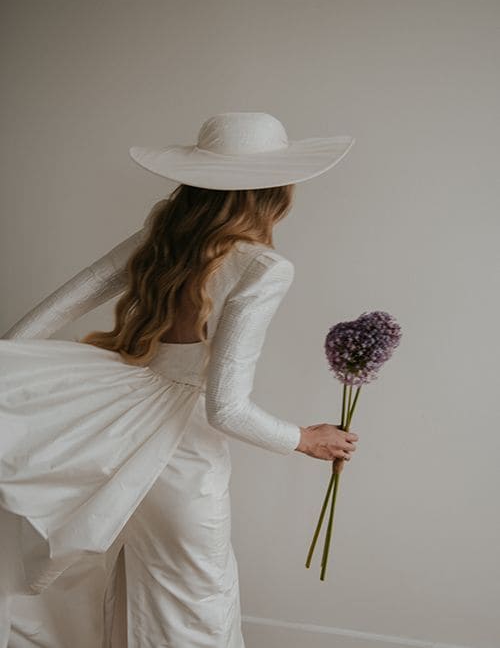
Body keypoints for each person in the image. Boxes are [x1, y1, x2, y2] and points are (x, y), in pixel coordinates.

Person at [0, 112, 359, 647]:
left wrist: (13, 372)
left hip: (111, 432)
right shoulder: (263, 267)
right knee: (196, 599)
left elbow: (43, 319)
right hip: (180, 449)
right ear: (276, 191)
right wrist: (303, 439)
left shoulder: (163, 232)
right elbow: (226, 408)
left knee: (120, 581)